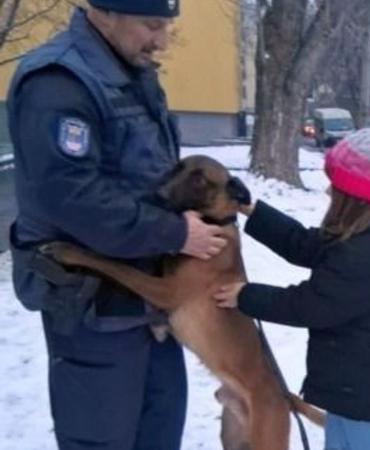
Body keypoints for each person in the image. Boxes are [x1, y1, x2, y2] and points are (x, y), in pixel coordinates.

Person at [6, 1, 228, 448]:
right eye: (151, 25)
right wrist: (175, 234)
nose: (161, 41)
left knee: (159, 434)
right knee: (102, 439)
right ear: (105, 12)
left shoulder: (129, 71)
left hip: (150, 300)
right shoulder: (58, 83)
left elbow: (149, 175)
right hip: (92, 305)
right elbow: (73, 198)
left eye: (166, 27)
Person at [213, 109, 370, 450]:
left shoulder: (365, 255)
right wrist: (253, 210)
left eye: (336, 187)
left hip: (368, 396)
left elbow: (309, 305)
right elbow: (303, 244)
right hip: (355, 389)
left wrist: (245, 296)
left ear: (356, 199)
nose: (328, 191)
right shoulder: (363, 234)